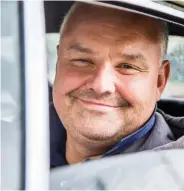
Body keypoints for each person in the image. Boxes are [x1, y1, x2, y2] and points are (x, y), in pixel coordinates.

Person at [50, 2, 184, 168]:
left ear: (159, 81)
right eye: (82, 60)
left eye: (127, 67)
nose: (100, 85)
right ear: (58, 63)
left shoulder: (175, 174)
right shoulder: (15, 142)